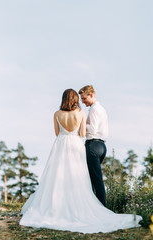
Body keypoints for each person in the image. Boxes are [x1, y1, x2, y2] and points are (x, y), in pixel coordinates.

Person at [20, 89, 142, 234]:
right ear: (75, 99)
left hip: (60, 145)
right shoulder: (80, 113)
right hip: (76, 145)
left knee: (58, 176)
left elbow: (57, 133)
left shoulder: (56, 114)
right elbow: (83, 134)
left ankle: (58, 205)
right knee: (77, 177)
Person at [78, 85, 108, 207]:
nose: (83, 102)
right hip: (101, 146)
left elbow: (93, 129)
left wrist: (81, 124)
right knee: (93, 177)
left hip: (93, 145)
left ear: (91, 95)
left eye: (84, 98)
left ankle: (101, 207)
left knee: (95, 179)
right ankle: (95, 206)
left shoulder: (94, 109)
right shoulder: (101, 108)